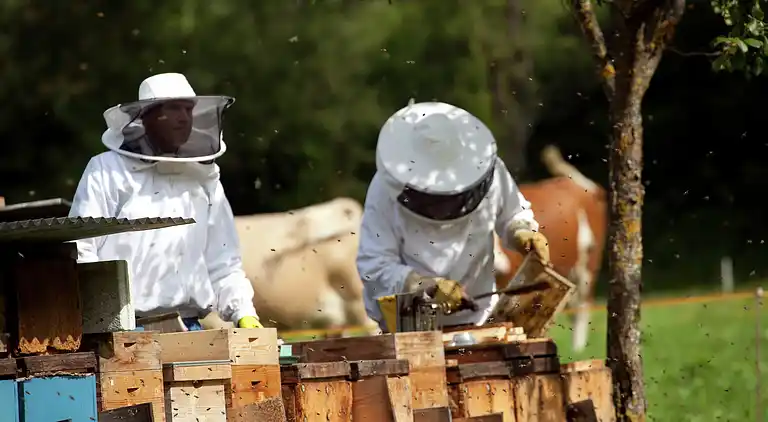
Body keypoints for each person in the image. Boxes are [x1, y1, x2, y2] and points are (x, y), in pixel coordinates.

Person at [69, 72, 263, 331]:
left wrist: (244, 313)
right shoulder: (108, 170)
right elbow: (81, 249)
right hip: (121, 329)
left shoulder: (203, 177)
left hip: (189, 326)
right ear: (147, 116)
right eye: (173, 108)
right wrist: (102, 318)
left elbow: (223, 260)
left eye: (188, 109)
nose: (184, 118)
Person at [356, 100, 551, 332]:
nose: (443, 205)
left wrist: (521, 231)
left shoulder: (488, 170)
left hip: (479, 319)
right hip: (409, 326)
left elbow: (513, 213)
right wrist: (423, 285)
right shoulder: (384, 189)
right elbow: (375, 266)